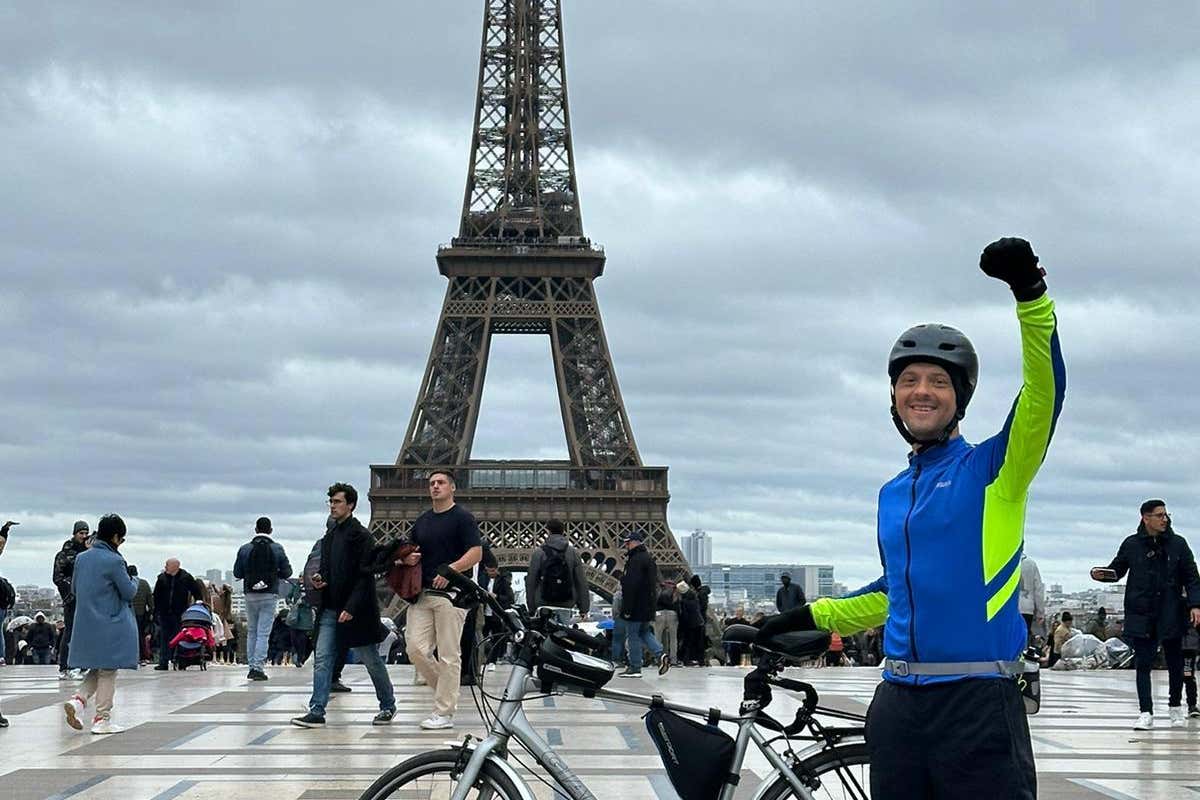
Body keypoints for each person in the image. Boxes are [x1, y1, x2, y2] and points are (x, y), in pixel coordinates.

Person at [758, 238, 1064, 799]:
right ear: (894, 395)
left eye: (939, 381)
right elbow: (895, 592)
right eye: (910, 380)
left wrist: (1031, 297)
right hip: (898, 706)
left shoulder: (995, 472)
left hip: (979, 703)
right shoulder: (892, 493)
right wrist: (805, 617)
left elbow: (1042, 395)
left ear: (960, 397)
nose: (922, 391)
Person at [292, 483, 395, 728]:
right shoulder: (330, 536)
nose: (332, 506)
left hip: (356, 610)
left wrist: (350, 607)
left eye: (337, 502)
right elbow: (328, 570)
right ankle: (317, 710)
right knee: (323, 658)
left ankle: (388, 704)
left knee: (370, 659)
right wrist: (321, 580)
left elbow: (364, 576)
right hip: (331, 606)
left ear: (350, 505)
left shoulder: (361, 536)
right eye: (331, 502)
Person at [1093, 500, 1200, 729]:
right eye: (1159, 515)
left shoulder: (1178, 544)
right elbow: (1117, 570)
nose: (1164, 519)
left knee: (1175, 662)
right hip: (1141, 612)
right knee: (1143, 663)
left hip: (1171, 610)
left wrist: (1195, 604)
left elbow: (1192, 577)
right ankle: (1145, 712)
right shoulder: (1132, 544)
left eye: (1166, 515)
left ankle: (1174, 707)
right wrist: (1102, 575)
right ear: (1145, 517)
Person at [402, 469, 482, 730]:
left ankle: (444, 711)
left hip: (452, 596)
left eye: (441, 483)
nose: (435, 487)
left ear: (452, 488)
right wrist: (407, 558)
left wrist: (452, 570)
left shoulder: (463, 518)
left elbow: (476, 552)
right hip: (423, 594)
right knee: (414, 649)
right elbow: (411, 549)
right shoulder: (423, 520)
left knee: (449, 655)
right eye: (432, 483)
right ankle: (447, 692)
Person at [63, 514, 138, 735]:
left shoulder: (82, 558)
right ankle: (101, 718)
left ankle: (78, 701)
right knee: (108, 671)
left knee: (98, 667)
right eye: (121, 539)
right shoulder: (115, 561)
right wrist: (133, 577)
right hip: (111, 622)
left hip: (86, 622)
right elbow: (129, 592)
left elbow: (74, 589)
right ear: (115, 537)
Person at [234, 516, 293, 681]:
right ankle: (258, 668)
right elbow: (288, 572)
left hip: (250, 593)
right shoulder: (277, 548)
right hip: (269, 593)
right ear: (271, 530)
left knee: (252, 631)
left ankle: (251, 665)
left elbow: (237, 573)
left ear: (255, 530)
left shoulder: (245, 549)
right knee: (263, 633)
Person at [616, 529, 669, 678]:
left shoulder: (635, 560)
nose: (626, 546)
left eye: (627, 543)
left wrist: (627, 608)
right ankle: (661, 655)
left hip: (636, 606)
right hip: (648, 605)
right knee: (644, 632)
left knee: (632, 635)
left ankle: (635, 667)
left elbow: (632, 585)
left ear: (634, 542)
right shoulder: (648, 558)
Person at [525, 519, 590, 615]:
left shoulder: (539, 553)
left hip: (543, 602)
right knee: (565, 629)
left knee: (544, 628)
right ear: (563, 531)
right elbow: (581, 581)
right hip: (566, 602)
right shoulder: (572, 553)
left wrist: (531, 607)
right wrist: (584, 609)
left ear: (548, 531)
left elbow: (531, 581)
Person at [53, 520, 90, 679]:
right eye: (81, 533)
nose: (83, 536)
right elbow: (58, 577)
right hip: (72, 599)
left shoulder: (90, 553)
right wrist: (70, 591)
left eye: (85, 533)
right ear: (74, 534)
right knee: (70, 633)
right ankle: (66, 666)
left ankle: (83, 665)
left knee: (85, 633)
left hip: (87, 599)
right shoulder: (64, 554)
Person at [152, 559, 202, 670]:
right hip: (164, 613)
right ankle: (163, 662)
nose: (165, 567)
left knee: (180, 638)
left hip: (179, 613)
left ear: (175, 566)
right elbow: (156, 596)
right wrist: (156, 611)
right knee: (164, 638)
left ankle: (181, 661)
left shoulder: (185, 577)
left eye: (167, 565)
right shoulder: (162, 578)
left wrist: (199, 601)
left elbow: (196, 590)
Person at [1018, 552, 1045, 647]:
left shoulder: (1003, 561)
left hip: (1006, 606)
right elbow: (1038, 589)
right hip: (1026, 607)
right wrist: (1040, 612)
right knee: (1023, 637)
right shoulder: (1031, 564)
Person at [128, 566, 153, 663]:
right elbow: (150, 599)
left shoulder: (127, 583)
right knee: (141, 635)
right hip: (141, 613)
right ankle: (142, 656)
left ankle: (131, 656)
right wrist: (151, 611)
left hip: (128, 613)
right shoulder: (144, 583)